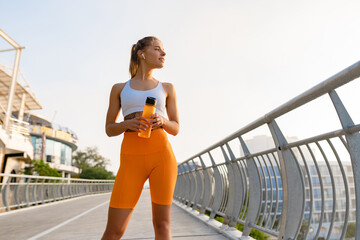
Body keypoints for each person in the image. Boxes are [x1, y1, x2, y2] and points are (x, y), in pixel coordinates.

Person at [101, 36, 179, 240]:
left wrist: (162, 121)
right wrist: (127, 124)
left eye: (163, 50)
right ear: (141, 53)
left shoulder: (167, 88)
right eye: (157, 49)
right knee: (114, 230)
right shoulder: (119, 88)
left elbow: (176, 127)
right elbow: (109, 129)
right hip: (131, 159)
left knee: (162, 226)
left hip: (162, 157)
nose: (163, 53)